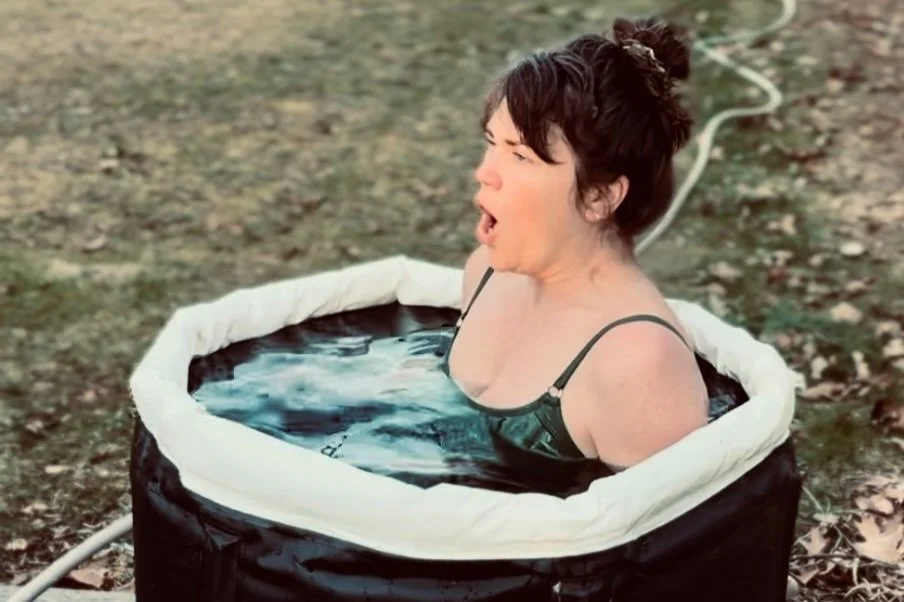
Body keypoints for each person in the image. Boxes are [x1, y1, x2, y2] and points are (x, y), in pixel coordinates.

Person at [443, 16, 710, 476]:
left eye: (520, 155)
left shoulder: (637, 361)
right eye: (492, 143)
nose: (485, 173)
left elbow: (667, 522)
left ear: (598, 196)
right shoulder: (486, 272)